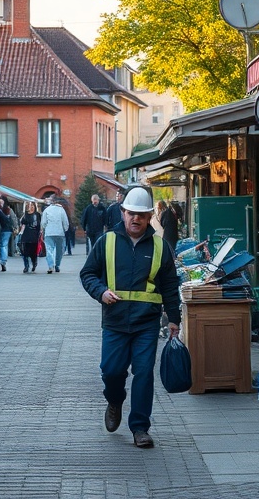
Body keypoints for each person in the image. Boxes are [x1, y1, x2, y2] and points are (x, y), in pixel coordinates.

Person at [79, 184, 181, 449]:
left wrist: (174, 319)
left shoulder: (160, 247)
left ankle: (140, 428)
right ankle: (115, 400)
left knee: (144, 373)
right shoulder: (107, 242)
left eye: (141, 215)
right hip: (115, 321)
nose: (136, 218)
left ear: (149, 217)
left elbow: (170, 285)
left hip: (147, 323)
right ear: (123, 213)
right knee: (111, 371)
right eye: (131, 213)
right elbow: (87, 274)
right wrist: (100, 292)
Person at [40, 196, 69, 274]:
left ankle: (50, 266)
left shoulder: (46, 210)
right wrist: (65, 229)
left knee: (49, 249)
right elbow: (65, 221)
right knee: (59, 250)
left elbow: (43, 222)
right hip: (60, 233)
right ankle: (57, 265)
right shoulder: (61, 209)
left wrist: (44, 229)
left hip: (49, 233)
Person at [17, 200, 41, 273]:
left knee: (33, 252)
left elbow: (39, 225)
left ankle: (34, 263)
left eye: (32, 206)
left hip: (34, 235)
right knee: (25, 252)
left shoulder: (37, 215)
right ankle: (26, 266)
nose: (31, 207)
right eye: (29, 206)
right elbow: (22, 222)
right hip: (26, 234)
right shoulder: (25, 215)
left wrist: (40, 233)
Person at [0, 196, 19, 271]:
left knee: (3, 245)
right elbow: (13, 219)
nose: (1, 202)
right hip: (2, 229)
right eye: (0, 201)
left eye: (2, 200)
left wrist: (15, 227)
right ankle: (3, 260)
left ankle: (3, 261)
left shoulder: (6, 209)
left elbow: (13, 219)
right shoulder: (0, 209)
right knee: (1, 245)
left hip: (6, 229)